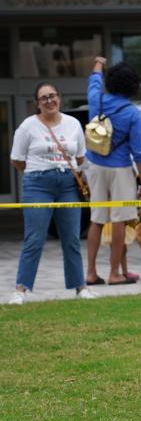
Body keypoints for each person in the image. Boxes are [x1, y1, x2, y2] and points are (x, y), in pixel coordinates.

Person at [8, 82, 98, 304]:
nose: (49, 101)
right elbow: (17, 160)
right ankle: (21, 290)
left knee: (72, 238)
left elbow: (80, 157)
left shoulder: (73, 124)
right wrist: (36, 172)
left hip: (68, 183)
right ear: (37, 103)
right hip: (37, 183)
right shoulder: (27, 126)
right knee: (34, 238)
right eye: (44, 98)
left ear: (59, 98)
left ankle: (81, 287)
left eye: (52, 96)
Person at [85, 57, 141, 286]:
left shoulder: (96, 100)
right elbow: (138, 153)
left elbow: (93, 79)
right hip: (120, 168)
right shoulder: (132, 113)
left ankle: (90, 272)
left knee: (97, 220)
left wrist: (99, 64)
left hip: (95, 165)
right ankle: (114, 273)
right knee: (120, 221)